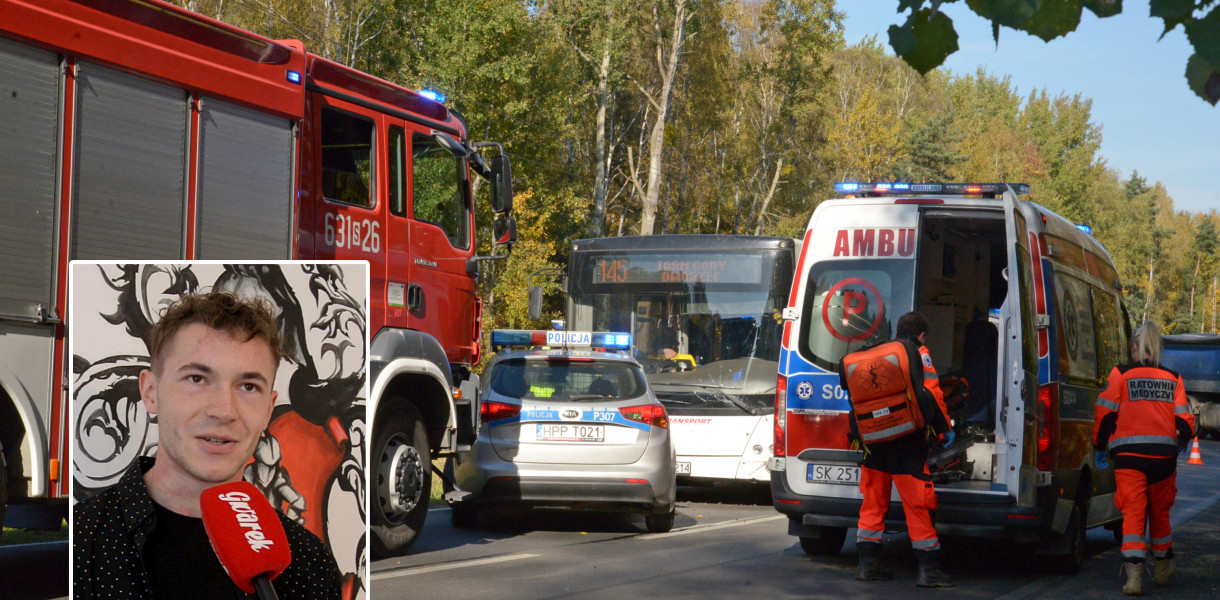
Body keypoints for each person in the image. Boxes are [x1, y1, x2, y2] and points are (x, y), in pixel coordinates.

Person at [73, 291, 342, 600]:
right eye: (197, 379)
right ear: (150, 392)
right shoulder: (82, 545)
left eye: (248, 386)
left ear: (269, 409)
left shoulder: (309, 564)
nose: (224, 410)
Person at [842, 311, 954, 587]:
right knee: (918, 503)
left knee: (872, 504)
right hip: (907, 442)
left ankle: (867, 564)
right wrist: (945, 428)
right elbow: (932, 393)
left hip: (873, 442)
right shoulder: (918, 352)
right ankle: (929, 571)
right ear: (921, 335)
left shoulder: (882, 353)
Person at [1093, 321, 1194, 596]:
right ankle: (1162, 568)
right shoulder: (1173, 378)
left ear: (1135, 347)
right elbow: (1186, 423)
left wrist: (1100, 447)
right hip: (1163, 458)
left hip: (1128, 459)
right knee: (1159, 514)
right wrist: (1174, 443)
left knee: (1133, 515)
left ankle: (1134, 578)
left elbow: (1105, 414)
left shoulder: (1120, 374)